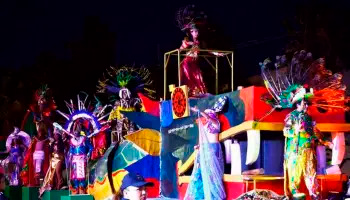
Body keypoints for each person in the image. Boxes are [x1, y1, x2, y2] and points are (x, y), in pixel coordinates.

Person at [283, 98, 332, 199]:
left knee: (311, 173)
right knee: (294, 173)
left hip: (308, 150)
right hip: (295, 151)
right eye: (304, 104)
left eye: (306, 104)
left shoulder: (309, 117)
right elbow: (286, 132)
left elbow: (314, 131)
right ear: (297, 104)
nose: (306, 106)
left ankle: (313, 192)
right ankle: (294, 191)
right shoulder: (291, 116)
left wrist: (325, 141)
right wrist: (295, 131)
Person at [184, 96, 227, 200]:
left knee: (211, 174)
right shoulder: (205, 126)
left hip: (212, 149)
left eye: (208, 115)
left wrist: (200, 111)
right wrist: (198, 146)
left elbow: (208, 118)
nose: (206, 118)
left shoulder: (216, 123)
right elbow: (202, 138)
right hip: (204, 149)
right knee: (200, 173)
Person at [177, 5, 207, 97]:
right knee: (189, 78)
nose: (196, 33)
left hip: (194, 63)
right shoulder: (187, 40)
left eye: (197, 31)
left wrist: (217, 53)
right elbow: (181, 48)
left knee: (199, 78)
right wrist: (187, 44)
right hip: (187, 63)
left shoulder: (199, 42)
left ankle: (200, 94)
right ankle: (190, 94)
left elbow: (207, 51)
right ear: (191, 32)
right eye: (194, 31)